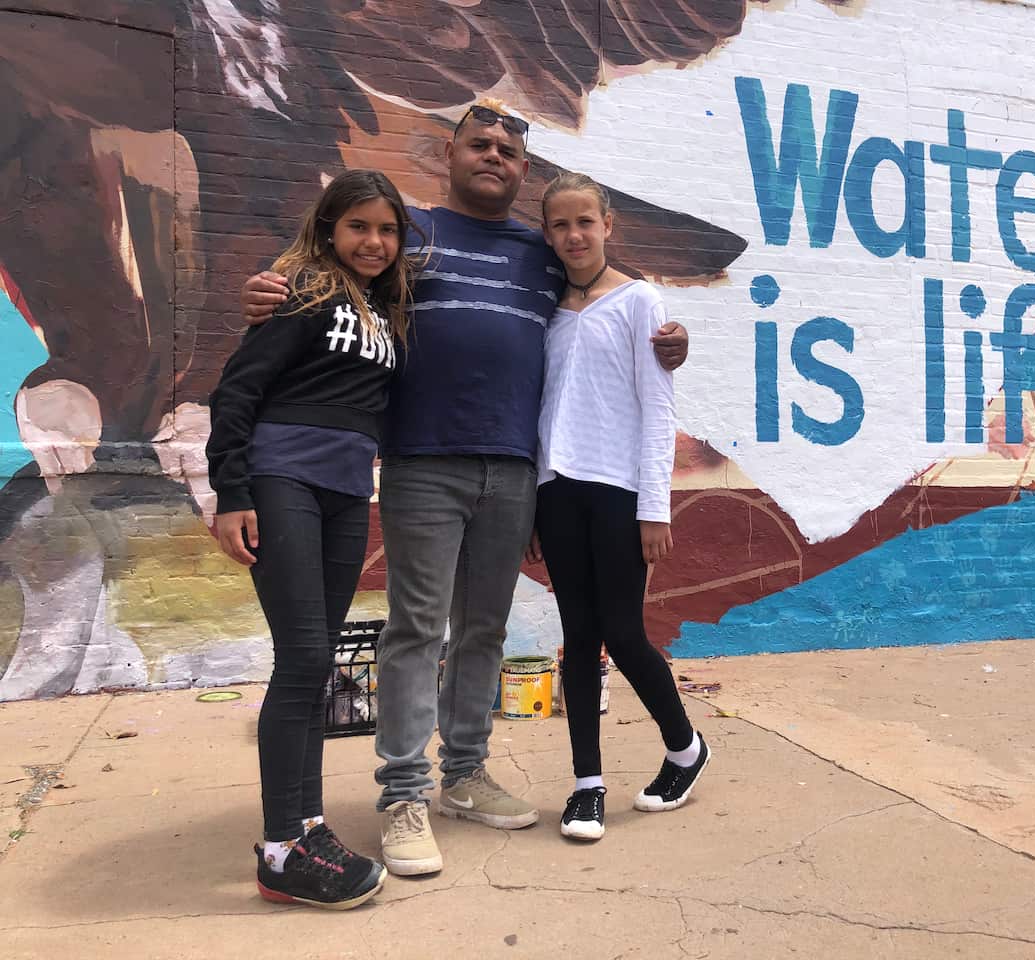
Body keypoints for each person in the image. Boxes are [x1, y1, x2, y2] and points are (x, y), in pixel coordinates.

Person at [239, 101, 690, 875]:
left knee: (483, 628)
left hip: (514, 469)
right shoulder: (406, 236)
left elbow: (602, 301)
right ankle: (403, 796)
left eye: (507, 151)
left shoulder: (541, 254)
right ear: (449, 154)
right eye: (479, 145)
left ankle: (465, 775)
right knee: (418, 628)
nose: (492, 158)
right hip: (423, 462)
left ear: (524, 171)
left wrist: (670, 339)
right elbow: (328, 269)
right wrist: (271, 288)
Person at [208, 169, 418, 907]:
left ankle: (307, 827)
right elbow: (237, 389)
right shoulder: (302, 291)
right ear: (329, 229)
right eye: (358, 226)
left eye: (387, 229)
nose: (374, 241)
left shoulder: (383, 307)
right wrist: (233, 493)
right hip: (283, 481)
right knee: (301, 659)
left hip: (346, 491)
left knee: (317, 661)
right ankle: (279, 850)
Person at [528, 173, 709, 841]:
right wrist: (533, 501)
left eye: (586, 222)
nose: (574, 235)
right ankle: (587, 786)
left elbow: (658, 409)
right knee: (578, 638)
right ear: (547, 233)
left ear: (608, 225)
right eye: (561, 224)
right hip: (555, 489)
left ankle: (685, 749)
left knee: (623, 633)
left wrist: (655, 508)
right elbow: (539, 407)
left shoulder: (640, 302)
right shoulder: (545, 310)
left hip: (619, 491)